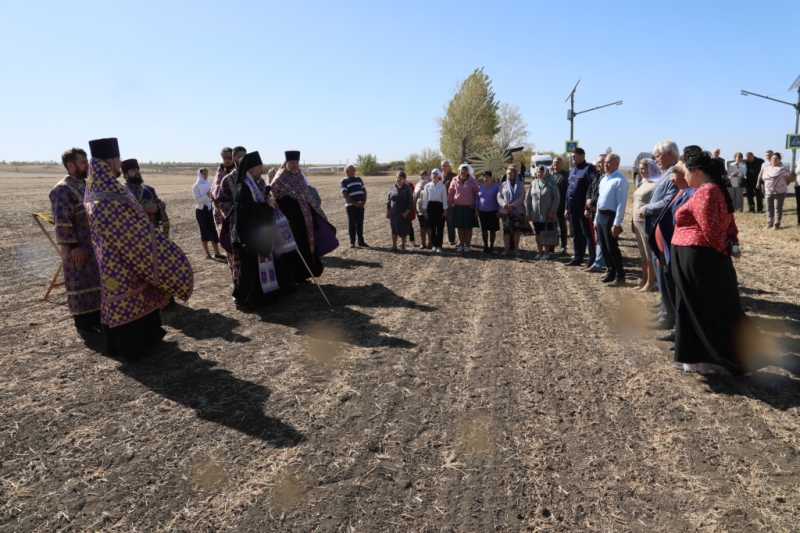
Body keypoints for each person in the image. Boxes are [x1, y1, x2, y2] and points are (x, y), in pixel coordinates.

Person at [83, 138, 193, 362]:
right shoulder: (105, 198)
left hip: (125, 257)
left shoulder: (105, 190)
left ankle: (149, 339)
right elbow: (126, 230)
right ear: (108, 162)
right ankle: (132, 347)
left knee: (141, 296)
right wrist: (155, 243)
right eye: (118, 160)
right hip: (119, 261)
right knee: (125, 301)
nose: (119, 164)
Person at [671, 146, 768, 376]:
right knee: (705, 307)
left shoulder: (706, 191)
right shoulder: (716, 190)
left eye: (685, 170)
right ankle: (701, 358)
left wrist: (725, 249)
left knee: (702, 308)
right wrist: (731, 244)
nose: (683, 174)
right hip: (701, 256)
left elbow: (711, 232)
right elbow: (729, 225)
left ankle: (714, 359)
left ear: (695, 171)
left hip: (699, 258)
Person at [229, 151, 297, 310]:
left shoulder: (251, 184)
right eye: (259, 167)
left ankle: (262, 297)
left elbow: (254, 205)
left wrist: (266, 199)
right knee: (249, 272)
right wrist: (267, 205)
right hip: (248, 235)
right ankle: (244, 300)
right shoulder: (243, 187)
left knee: (256, 269)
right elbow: (246, 211)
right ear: (251, 168)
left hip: (256, 233)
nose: (262, 170)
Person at [49, 147, 102, 335]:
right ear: (70, 165)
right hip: (78, 248)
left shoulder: (85, 184)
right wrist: (74, 247)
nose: (87, 165)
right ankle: (84, 325)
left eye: (87, 161)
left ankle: (98, 320)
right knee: (81, 283)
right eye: (83, 162)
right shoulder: (62, 189)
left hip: (93, 246)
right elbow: (62, 221)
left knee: (96, 283)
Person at [647, 156, 694, 346]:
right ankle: (677, 329)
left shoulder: (690, 193)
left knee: (680, 296)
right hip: (666, 251)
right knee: (672, 293)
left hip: (677, 252)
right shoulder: (681, 192)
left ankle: (682, 333)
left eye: (675, 170)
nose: (671, 173)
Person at [272, 150, 338, 280]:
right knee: (292, 249)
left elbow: (307, 197)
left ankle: (303, 275)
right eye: (292, 162)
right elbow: (276, 198)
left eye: (297, 162)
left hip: (305, 220)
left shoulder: (299, 176)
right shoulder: (280, 178)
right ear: (287, 163)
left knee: (305, 246)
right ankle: (292, 277)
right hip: (290, 221)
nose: (295, 165)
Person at [639, 140, 680, 330]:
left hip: (663, 231)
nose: (656, 160)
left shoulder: (675, 173)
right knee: (660, 272)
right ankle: (664, 307)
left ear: (670, 153)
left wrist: (646, 208)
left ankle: (667, 316)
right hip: (656, 230)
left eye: (658, 156)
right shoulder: (667, 172)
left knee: (664, 272)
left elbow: (667, 201)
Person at [211, 145, 247, 280]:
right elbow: (216, 197)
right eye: (224, 158)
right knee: (233, 250)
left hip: (246, 218)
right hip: (228, 218)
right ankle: (236, 278)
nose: (227, 161)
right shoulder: (221, 176)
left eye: (228, 158)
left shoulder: (244, 173)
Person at [594, 154, 629, 286]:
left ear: (617, 164)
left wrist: (617, 223)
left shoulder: (620, 180)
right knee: (603, 246)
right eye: (605, 163)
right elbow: (599, 202)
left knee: (612, 247)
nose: (606, 165)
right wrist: (596, 219)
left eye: (609, 163)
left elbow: (621, 203)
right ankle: (610, 272)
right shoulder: (604, 179)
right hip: (601, 216)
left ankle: (620, 276)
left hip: (611, 216)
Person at [564, 148, 597, 266]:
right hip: (573, 208)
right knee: (576, 234)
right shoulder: (573, 170)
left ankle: (592, 259)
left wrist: (587, 207)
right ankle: (578, 257)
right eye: (572, 156)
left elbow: (592, 188)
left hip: (583, 209)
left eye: (575, 156)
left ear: (582, 156)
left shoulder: (588, 168)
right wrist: (566, 208)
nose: (573, 158)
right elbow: (569, 191)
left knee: (588, 234)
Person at [120, 159, 170, 236]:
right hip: (135, 234)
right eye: (133, 170)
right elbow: (122, 212)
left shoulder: (149, 189)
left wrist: (157, 207)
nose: (137, 172)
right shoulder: (122, 191)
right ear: (125, 174)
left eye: (137, 170)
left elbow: (161, 204)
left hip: (154, 231)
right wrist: (144, 209)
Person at [631, 159, 659, 292]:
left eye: (644, 168)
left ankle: (651, 282)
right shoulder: (644, 182)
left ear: (651, 168)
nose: (642, 171)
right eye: (640, 168)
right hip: (637, 221)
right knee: (642, 253)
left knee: (649, 253)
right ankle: (644, 280)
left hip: (646, 221)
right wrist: (632, 221)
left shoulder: (656, 183)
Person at [526, 165, 560, 260]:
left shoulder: (551, 183)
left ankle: (546, 253)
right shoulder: (533, 183)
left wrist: (552, 211)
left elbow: (556, 198)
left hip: (547, 214)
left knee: (547, 232)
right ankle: (539, 252)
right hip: (536, 214)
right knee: (538, 233)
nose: (539, 174)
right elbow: (529, 198)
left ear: (546, 172)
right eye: (538, 172)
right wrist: (528, 212)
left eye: (541, 172)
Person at [192, 168, 224, 260]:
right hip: (201, 211)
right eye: (204, 174)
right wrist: (208, 195)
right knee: (204, 231)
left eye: (206, 173)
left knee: (213, 231)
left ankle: (217, 253)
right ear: (200, 174)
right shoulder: (196, 186)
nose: (205, 175)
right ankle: (207, 253)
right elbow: (197, 200)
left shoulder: (210, 183)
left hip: (211, 209)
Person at [448, 163, 480, 252]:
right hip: (458, 207)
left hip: (469, 207)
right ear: (459, 170)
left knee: (468, 227)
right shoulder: (454, 180)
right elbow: (450, 193)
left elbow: (476, 194)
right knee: (460, 227)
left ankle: (468, 246)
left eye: (465, 169)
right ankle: (461, 245)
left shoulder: (473, 180)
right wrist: (450, 204)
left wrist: (476, 206)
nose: (463, 171)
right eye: (462, 169)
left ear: (468, 171)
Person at [757, 152, 792, 230]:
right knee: (769, 208)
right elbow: (763, 178)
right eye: (773, 158)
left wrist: (785, 184)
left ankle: (776, 225)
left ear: (779, 160)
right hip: (768, 191)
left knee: (777, 208)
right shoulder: (767, 168)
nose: (774, 160)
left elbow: (789, 177)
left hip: (780, 191)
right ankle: (769, 224)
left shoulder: (783, 168)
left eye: (776, 158)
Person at [584, 154, 607, 273]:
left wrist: (592, 202)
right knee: (598, 238)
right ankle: (599, 263)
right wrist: (588, 203)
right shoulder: (598, 176)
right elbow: (589, 189)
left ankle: (601, 264)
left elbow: (604, 196)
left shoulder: (608, 178)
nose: (599, 164)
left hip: (604, 212)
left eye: (602, 162)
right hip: (594, 210)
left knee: (603, 239)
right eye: (598, 162)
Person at [498, 165, 526, 257]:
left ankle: (516, 250)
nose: (509, 175)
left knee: (516, 231)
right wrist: (505, 205)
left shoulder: (520, 185)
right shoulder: (503, 185)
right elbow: (499, 196)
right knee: (506, 231)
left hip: (517, 211)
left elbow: (522, 197)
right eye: (508, 173)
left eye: (511, 173)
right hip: (505, 211)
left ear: (515, 174)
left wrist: (513, 205)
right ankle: (506, 250)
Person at [340, 164, 369, 248]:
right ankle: (352, 242)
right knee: (352, 224)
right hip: (351, 206)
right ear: (348, 171)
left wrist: (364, 201)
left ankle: (361, 241)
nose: (355, 171)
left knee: (360, 224)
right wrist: (354, 203)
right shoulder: (344, 181)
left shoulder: (359, 179)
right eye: (353, 170)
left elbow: (364, 190)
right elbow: (345, 194)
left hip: (361, 205)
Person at [422, 169, 448, 253]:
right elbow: (425, 199)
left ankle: (439, 246)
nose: (434, 175)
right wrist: (425, 211)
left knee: (440, 227)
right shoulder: (427, 186)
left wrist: (445, 210)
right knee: (432, 227)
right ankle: (434, 245)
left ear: (439, 175)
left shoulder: (442, 186)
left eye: (436, 174)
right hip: (430, 207)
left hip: (440, 207)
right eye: (433, 173)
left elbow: (444, 198)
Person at [386, 171, 413, 251]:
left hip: (403, 213)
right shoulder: (392, 188)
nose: (398, 179)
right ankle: (394, 246)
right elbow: (389, 201)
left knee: (403, 229)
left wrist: (406, 212)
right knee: (394, 229)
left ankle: (403, 246)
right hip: (394, 213)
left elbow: (410, 201)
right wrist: (388, 212)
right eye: (397, 177)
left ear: (404, 179)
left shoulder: (407, 188)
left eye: (400, 178)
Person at [475, 170, 500, 253]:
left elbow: (499, 199)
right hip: (482, 211)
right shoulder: (481, 187)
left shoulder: (496, 187)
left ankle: (492, 246)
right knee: (484, 229)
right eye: (484, 177)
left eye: (487, 177)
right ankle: (485, 246)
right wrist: (476, 210)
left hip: (493, 211)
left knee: (492, 230)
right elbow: (477, 199)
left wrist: (499, 210)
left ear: (491, 177)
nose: (485, 179)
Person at [550, 156, 570, 254]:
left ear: (562, 164)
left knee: (563, 227)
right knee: (552, 227)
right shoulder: (549, 175)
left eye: (557, 162)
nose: (555, 164)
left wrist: (567, 207)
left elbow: (568, 192)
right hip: (550, 206)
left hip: (562, 206)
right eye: (554, 162)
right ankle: (551, 246)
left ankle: (563, 247)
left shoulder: (566, 175)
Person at [441, 160, 458, 245]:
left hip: (449, 202)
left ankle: (451, 240)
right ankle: (439, 239)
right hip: (440, 203)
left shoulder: (454, 176)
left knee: (450, 222)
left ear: (449, 166)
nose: (443, 167)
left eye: (445, 165)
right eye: (442, 166)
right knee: (440, 222)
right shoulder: (439, 176)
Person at [414, 170, 431, 249]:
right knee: (422, 226)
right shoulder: (418, 184)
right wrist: (420, 188)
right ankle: (423, 243)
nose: (423, 176)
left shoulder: (431, 183)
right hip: (419, 208)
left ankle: (430, 242)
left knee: (428, 226)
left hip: (429, 208)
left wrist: (425, 186)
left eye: (424, 174)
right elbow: (415, 196)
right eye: (421, 175)